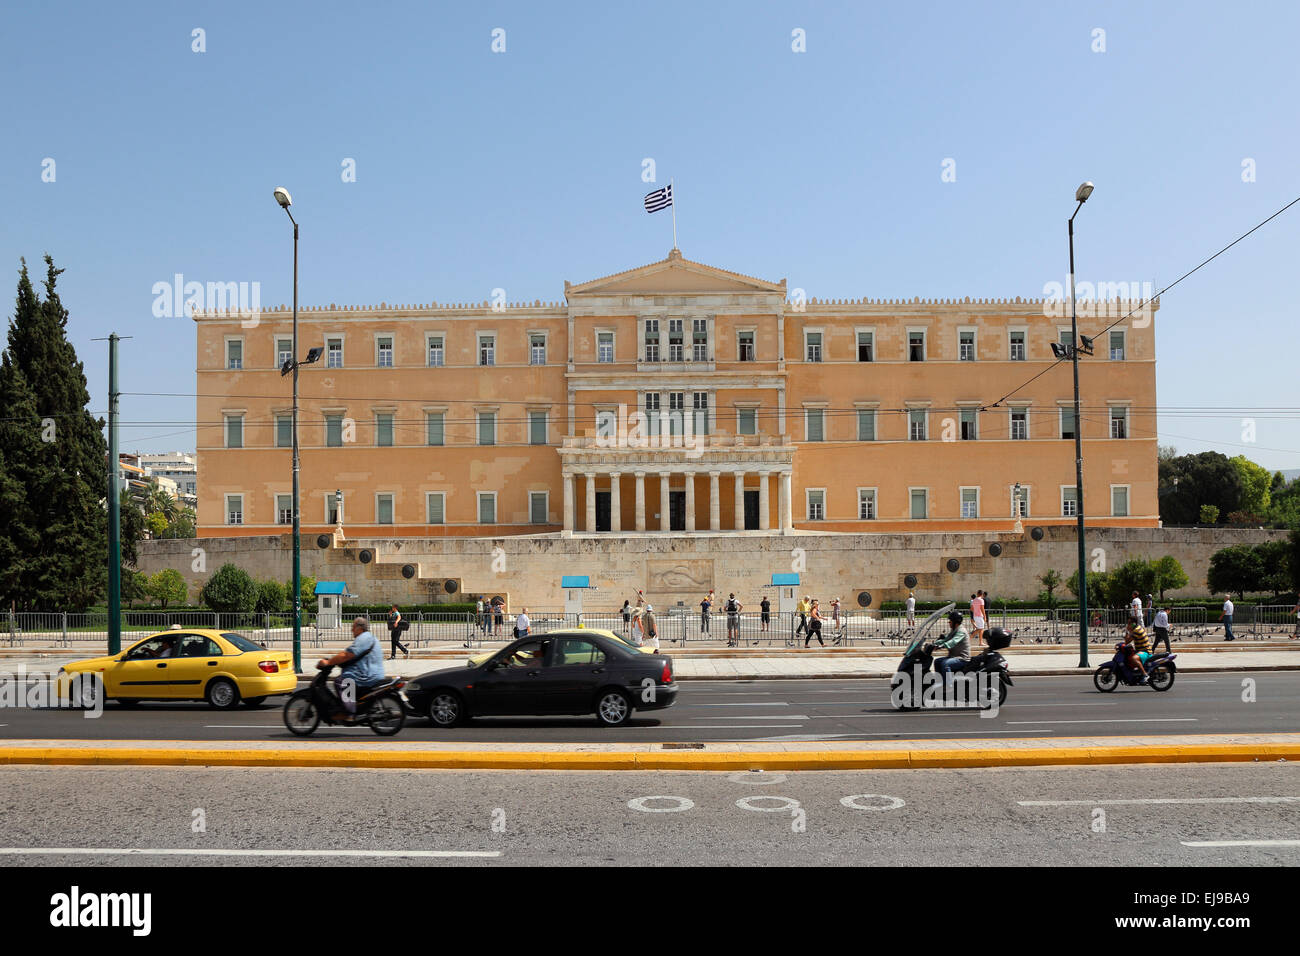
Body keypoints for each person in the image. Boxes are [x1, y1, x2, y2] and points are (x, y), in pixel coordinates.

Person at [318, 617, 386, 717]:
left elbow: (346, 655)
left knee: (341, 681)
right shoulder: (370, 637)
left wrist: (328, 662)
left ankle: (349, 712)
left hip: (366, 675)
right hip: (373, 673)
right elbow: (349, 653)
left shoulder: (363, 638)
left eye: (353, 627)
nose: (352, 629)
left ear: (360, 628)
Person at [933, 611, 970, 681]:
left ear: (955, 622)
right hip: (954, 657)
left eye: (950, 621)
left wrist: (942, 646)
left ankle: (949, 686)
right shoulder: (954, 630)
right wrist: (934, 644)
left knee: (946, 664)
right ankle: (940, 682)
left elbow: (953, 641)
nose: (949, 623)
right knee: (937, 661)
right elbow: (946, 639)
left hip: (962, 658)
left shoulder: (961, 631)